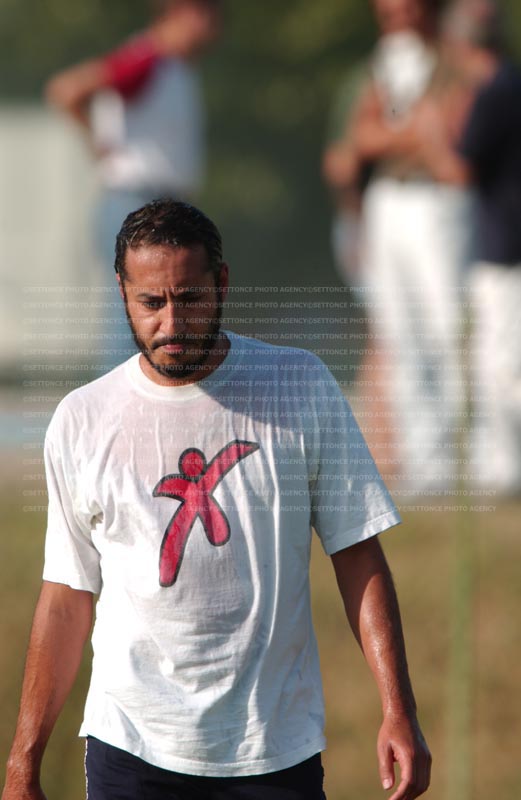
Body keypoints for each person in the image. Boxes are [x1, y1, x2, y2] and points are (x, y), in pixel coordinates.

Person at [2, 199, 431, 800]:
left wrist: (398, 709)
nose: (172, 323)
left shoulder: (299, 385)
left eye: (190, 298)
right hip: (131, 748)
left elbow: (357, 553)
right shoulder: (83, 419)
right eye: (151, 302)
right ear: (122, 292)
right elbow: (67, 598)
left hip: (272, 748)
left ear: (222, 284)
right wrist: (23, 763)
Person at [45, 0, 222, 372]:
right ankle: (117, 407)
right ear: (176, 12)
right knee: (134, 321)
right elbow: (67, 89)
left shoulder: (173, 65)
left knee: (156, 318)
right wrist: (97, 143)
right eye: (204, 11)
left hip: (156, 202)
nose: (213, 22)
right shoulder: (147, 58)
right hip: (136, 200)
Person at [343, 0, 475, 496]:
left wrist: (402, 133)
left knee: (448, 326)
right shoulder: (382, 61)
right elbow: (362, 137)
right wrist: (414, 133)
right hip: (388, 201)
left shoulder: (451, 57)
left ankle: (473, 459)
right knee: (398, 332)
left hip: (436, 202)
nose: (394, 16)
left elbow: (454, 133)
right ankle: (426, 466)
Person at [424, 0, 521, 494]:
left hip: (505, 247)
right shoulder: (510, 83)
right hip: (504, 242)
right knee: (497, 362)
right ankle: (503, 469)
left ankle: (507, 472)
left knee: (501, 367)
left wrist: (431, 132)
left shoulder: (495, 90)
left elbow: (458, 169)